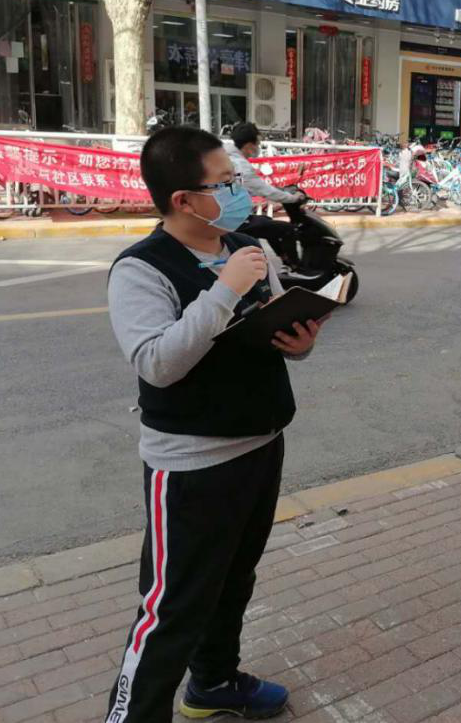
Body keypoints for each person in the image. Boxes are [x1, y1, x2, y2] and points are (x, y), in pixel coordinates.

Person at [105, 127, 321, 722]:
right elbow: (157, 362)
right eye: (223, 183)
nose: (239, 191)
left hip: (260, 443)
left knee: (233, 581)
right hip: (192, 465)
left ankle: (214, 684)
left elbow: (274, 337)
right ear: (182, 199)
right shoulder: (141, 270)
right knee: (172, 607)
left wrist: (298, 340)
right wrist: (224, 289)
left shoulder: (248, 248)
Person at [224, 122, 308, 269]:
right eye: (258, 143)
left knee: (267, 222)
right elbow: (265, 191)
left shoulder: (231, 159)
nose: (258, 147)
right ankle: (295, 267)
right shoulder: (240, 165)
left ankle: (285, 260)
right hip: (236, 221)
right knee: (288, 229)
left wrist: (281, 191)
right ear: (249, 145)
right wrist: (294, 198)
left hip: (232, 217)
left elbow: (253, 186)